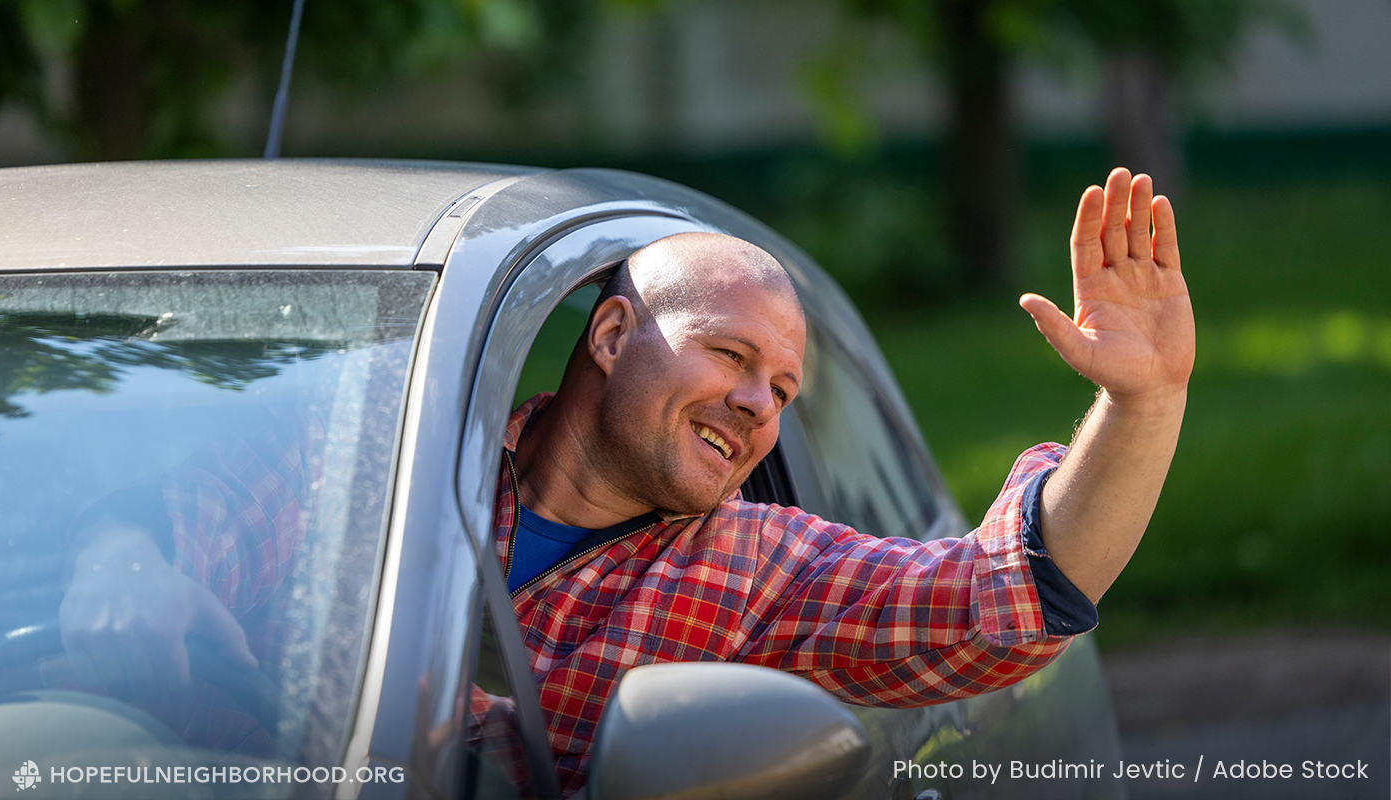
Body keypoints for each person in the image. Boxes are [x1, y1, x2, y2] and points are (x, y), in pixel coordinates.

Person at [473, 167, 1194, 792]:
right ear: (612, 337)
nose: (760, 405)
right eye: (729, 354)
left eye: (783, 391)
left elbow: (1006, 595)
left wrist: (1145, 404)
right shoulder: (409, 464)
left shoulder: (754, 565)